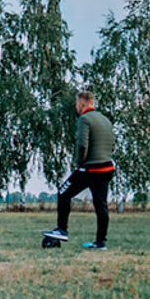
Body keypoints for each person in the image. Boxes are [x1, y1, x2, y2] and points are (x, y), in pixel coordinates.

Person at [43, 89, 117, 250]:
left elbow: (83, 144)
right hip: (107, 168)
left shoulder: (85, 119)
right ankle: (100, 242)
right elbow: (112, 143)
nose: (76, 107)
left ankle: (62, 229)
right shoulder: (105, 120)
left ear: (82, 103)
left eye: (77, 103)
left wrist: (79, 162)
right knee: (101, 205)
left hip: (91, 169)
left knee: (63, 193)